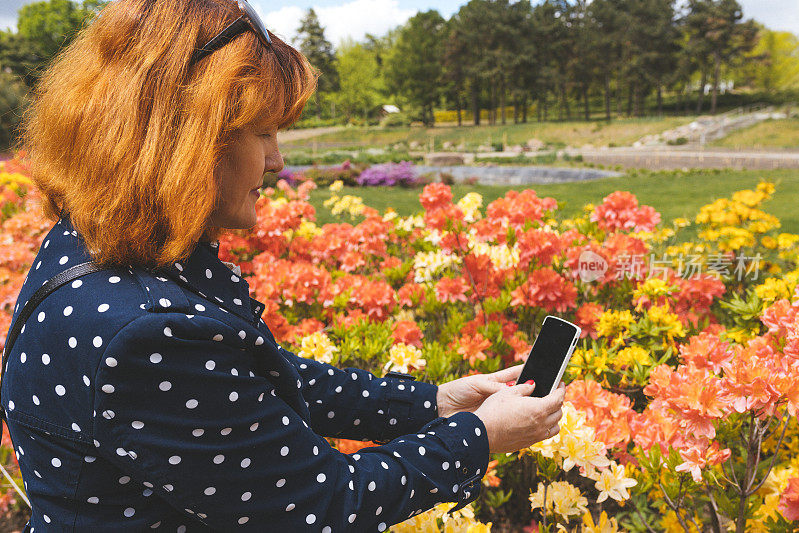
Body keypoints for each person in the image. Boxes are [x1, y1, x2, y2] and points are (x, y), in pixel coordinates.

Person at [2, 0, 566, 530]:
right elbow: (322, 505)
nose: (278, 161)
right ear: (187, 141)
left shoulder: (95, 248)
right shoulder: (141, 332)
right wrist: (478, 438)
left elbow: (244, 384)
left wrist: (434, 403)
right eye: (264, 132)